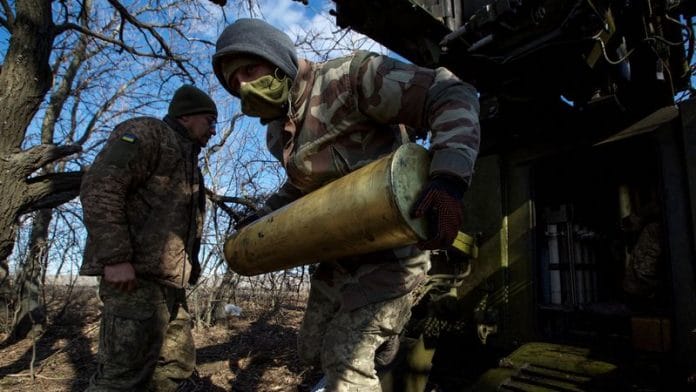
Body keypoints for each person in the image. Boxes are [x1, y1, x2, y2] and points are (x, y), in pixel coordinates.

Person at [212, 18, 480, 391]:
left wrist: (449, 178)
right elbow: (301, 187)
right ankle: (386, 340)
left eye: (249, 70)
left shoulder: (349, 77)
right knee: (309, 350)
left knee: (345, 358)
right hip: (339, 254)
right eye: (233, 83)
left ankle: (377, 334)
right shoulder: (278, 133)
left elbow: (450, 92)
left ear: (277, 60)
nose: (243, 86)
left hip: (393, 248)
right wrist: (263, 214)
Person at [80, 85, 217, 391]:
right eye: (210, 121)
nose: (213, 131)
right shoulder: (147, 133)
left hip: (169, 288)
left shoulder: (189, 162)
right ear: (186, 117)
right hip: (134, 282)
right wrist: (116, 258)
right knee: (122, 378)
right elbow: (101, 187)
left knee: (174, 372)